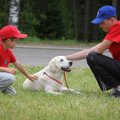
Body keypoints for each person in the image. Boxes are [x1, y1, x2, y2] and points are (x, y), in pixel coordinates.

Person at [66, 5, 120, 98]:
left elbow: (97, 51)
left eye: (102, 23)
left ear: (112, 20)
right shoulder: (113, 34)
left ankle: (118, 89)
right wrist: (63, 58)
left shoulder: (118, 27)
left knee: (92, 57)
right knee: (92, 56)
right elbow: (88, 51)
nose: (100, 26)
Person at [0, 25, 38, 95]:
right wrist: (6, 69)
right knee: (10, 78)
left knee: (12, 93)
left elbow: (16, 63)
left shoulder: (7, 50)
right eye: (16, 41)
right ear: (9, 41)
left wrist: (27, 75)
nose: (17, 43)